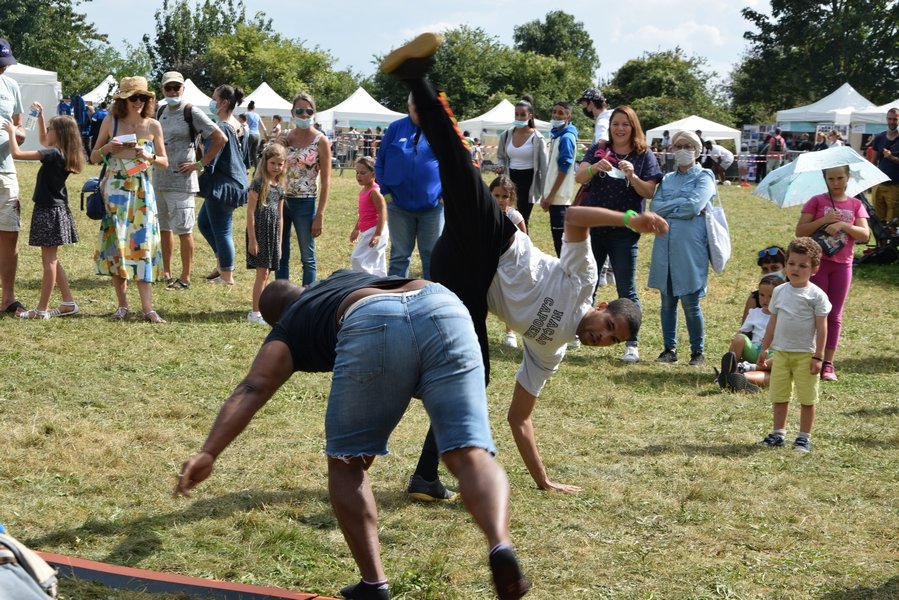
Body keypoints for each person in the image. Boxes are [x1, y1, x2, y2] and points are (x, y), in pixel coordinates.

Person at [380, 32, 668, 495]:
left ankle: (425, 474)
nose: (600, 339)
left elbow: (520, 419)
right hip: (495, 241)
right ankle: (416, 79)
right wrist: (630, 217)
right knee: (459, 169)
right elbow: (574, 216)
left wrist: (544, 481)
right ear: (605, 307)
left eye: (608, 343)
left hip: (466, 282)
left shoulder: (549, 354)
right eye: (609, 327)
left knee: (475, 374)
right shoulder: (584, 280)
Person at [174, 272, 530, 600]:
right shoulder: (340, 279)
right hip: (443, 304)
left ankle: (374, 584)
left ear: (275, 319)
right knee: (469, 452)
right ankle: (500, 544)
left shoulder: (290, 326)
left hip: (370, 319)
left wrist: (209, 452)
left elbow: (254, 385)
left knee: (347, 464)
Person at [574, 105, 663, 363]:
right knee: (586, 283)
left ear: (633, 127)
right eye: (616, 124)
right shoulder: (600, 148)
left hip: (625, 231)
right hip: (595, 226)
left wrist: (632, 175)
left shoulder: (644, 155)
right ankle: (579, 332)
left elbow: (648, 192)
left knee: (626, 287)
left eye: (625, 124)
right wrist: (594, 167)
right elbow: (580, 176)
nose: (620, 128)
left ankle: (632, 344)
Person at [90, 76, 168, 323]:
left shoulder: (153, 125)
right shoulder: (111, 121)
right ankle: (122, 305)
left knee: (142, 245)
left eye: (143, 98)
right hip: (115, 190)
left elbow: (165, 162)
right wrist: (107, 149)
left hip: (142, 191)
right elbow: (92, 157)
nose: (138, 102)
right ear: (123, 100)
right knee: (118, 245)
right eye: (133, 98)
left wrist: (148, 155)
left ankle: (148, 308)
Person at [1, 106, 82, 319]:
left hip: (49, 211)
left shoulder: (52, 154)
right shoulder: (61, 153)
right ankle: (68, 302)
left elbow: (17, 153)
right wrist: (41, 118)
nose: (47, 132)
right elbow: (45, 139)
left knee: (49, 262)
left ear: (60, 133)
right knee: (52, 259)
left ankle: (41, 310)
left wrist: (11, 131)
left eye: (50, 128)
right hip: (55, 210)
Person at [795, 165, 870, 381]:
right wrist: (824, 221)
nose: (836, 183)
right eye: (831, 178)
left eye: (840, 178)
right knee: (813, 311)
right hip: (818, 264)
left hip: (842, 265)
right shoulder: (816, 201)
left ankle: (827, 363)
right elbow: (800, 231)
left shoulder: (856, 204)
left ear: (848, 179)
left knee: (834, 314)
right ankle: (807, 356)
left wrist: (843, 225)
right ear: (825, 179)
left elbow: (865, 234)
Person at [647, 130, 716, 366]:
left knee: (690, 300)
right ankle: (669, 349)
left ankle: (698, 352)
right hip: (665, 246)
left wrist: (672, 206)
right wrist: (679, 204)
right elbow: (654, 208)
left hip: (690, 247)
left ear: (697, 150)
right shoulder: (666, 179)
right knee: (666, 301)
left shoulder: (705, 176)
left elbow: (694, 206)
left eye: (687, 145)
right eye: (678, 146)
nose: (682, 150)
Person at [154, 71, 227, 291]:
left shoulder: (191, 111)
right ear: (162, 90)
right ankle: (166, 272)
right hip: (159, 179)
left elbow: (219, 138)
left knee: (184, 230)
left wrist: (201, 164)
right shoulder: (160, 110)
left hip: (182, 182)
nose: (173, 91)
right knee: (164, 228)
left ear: (183, 89)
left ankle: (185, 278)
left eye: (177, 87)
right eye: (169, 88)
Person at [756, 237, 831, 453]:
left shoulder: (817, 296)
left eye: (802, 265)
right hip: (781, 353)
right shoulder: (779, 291)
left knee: (807, 398)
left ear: (814, 269)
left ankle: (803, 437)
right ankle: (778, 433)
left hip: (806, 356)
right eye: (791, 263)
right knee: (779, 396)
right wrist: (764, 348)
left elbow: (822, 328)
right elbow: (773, 321)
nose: (795, 269)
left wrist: (818, 356)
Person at [374, 91, 443, 279]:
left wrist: (444, 195)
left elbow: (453, 165)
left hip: (433, 208)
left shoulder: (439, 129)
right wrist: (386, 193)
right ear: (409, 106)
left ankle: (434, 301)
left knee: (432, 257)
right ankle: (396, 299)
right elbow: (380, 162)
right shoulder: (395, 129)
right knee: (399, 256)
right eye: (416, 107)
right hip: (398, 206)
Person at [275, 93, 331, 285]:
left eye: (309, 111)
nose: (304, 114)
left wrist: (320, 215)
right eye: (299, 110)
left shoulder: (321, 141)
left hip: (305, 202)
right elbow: (271, 167)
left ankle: (307, 299)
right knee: (280, 253)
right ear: (292, 112)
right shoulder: (284, 137)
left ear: (314, 113)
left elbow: (326, 181)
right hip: (281, 200)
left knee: (307, 256)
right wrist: (277, 146)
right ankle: (282, 298)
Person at [197, 84, 248, 286]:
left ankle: (227, 276)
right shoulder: (237, 126)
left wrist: (197, 169)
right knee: (205, 223)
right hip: (230, 183)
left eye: (214, 98)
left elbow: (211, 159)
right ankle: (221, 263)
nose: (211, 102)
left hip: (223, 186)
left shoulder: (221, 128)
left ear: (224, 102)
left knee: (223, 230)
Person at [717, 274, 784, 393]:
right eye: (761, 295)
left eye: (770, 296)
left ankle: (740, 376)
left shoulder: (784, 315)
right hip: (755, 352)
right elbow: (742, 332)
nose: (765, 300)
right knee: (739, 338)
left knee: (782, 360)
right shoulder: (754, 313)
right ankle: (732, 369)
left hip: (772, 356)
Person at [0, 38, 28, 317]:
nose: (3, 69)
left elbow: (20, 123)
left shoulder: (11, 85)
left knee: (10, 234)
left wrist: (20, 132)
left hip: (6, 170)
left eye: (5, 63)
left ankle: (8, 298)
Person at [246, 143, 286, 325]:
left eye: (280, 164)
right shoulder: (258, 183)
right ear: (265, 162)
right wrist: (253, 240)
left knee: (267, 273)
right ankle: (255, 313)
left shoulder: (280, 186)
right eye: (273, 163)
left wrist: (279, 243)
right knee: (261, 274)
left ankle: (260, 311)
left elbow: (280, 217)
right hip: (260, 233)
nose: (276, 167)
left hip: (272, 233)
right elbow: (250, 213)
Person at [493, 96, 547, 228]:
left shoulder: (538, 138)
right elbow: (501, 157)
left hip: (528, 181)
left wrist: (546, 193)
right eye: (516, 114)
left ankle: (523, 245)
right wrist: (500, 167)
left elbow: (544, 166)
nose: (519, 118)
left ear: (530, 116)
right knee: (505, 214)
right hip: (509, 178)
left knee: (522, 217)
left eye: (523, 115)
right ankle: (506, 245)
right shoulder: (506, 135)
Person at [489, 175, 527, 349]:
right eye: (496, 196)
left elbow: (525, 242)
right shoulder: (484, 212)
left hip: (510, 264)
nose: (500, 200)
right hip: (488, 262)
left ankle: (510, 332)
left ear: (511, 198)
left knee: (509, 298)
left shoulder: (515, 216)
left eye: (505, 196)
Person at [541, 101, 578, 257]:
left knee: (562, 247)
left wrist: (550, 196)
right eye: (554, 112)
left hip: (560, 201)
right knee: (559, 244)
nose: (556, 115)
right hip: (555, 199)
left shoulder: (566, 138)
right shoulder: (557, 135)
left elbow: (564, 169)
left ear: (568, 116)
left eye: (561, 113)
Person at [350, 156, 388, 276]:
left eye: (363, 173)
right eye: (357, 173)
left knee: (357, 258)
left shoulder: (375, 192)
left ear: (374, 174)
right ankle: (380, 282)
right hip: (368, 230)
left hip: (375, 230)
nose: (358, 176)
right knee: (377, 262)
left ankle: (365, 283)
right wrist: (357, 228)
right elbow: (363, 213)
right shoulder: (364, 191)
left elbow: (383, 213)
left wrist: (377, 234)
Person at [869, 107, 899, 224]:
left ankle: (891, 243)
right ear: (886, 119)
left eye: (895, 119)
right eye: (889, 119)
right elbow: (874, 161)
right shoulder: (879, 137)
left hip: (895, 185)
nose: (892, 122)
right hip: (879, 184)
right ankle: (880, 243)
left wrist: (891, 157)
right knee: (878, 220)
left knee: (893, 222)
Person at [742, 245, 787, 322]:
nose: (770, 273)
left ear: (786, 267)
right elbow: (745, 330)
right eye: (765, 269)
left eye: (775, 268)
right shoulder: (755, 298)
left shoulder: (796, 294)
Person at [244, 101, 266, 169]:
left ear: (247, 108)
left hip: (250, 134)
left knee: (246, 152)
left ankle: (245, 168)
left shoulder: (246, 114)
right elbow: (264, 127)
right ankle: (257, 169)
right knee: (254, 153)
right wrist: (266, 135)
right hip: (257, 135)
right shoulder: (257, 115)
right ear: (254, 108)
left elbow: (243, 124)